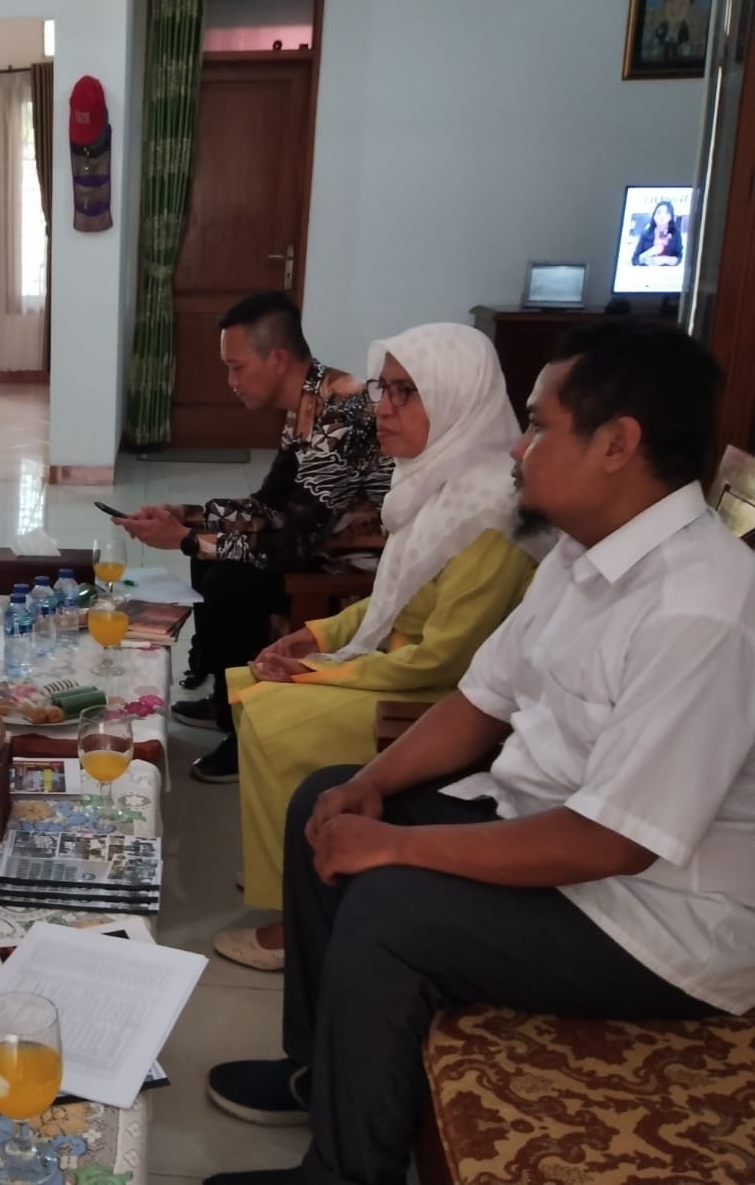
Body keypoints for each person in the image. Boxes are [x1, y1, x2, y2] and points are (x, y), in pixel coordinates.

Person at [203, 319, 755, 1185]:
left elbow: (612, 842)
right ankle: (320, 1072)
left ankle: (345, 1174)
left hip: (651, 921)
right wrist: (370, 789)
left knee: (389, 909)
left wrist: (397, 847)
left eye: (538, 426)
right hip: (539, 824)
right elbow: (479, 700)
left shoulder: (699, 609)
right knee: (328, 802)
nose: (516, 448)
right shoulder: (580, 554)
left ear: (616, 444)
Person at [213, 324, 546, 972]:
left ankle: (297, 915)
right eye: (381, 389)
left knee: (274, 713)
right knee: (254, 690)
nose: (382, 409)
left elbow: (444, 660)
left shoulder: (492, 512)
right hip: (405, 668)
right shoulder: (436, 481)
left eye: (406, 393)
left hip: (439, 696)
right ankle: (289, 866)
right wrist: (318, 636)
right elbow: (394, 597)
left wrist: (315, 674)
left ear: (455, 398)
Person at [116, 292, 392, 782]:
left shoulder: (343, 414)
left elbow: (294, 547)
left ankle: (246, 729)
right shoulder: (308, 402)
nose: (232, 382)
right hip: (318, 546)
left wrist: (186, 539)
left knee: (229, 580)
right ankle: (225, 697)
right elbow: (269, 505)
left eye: (237, 367)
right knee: (209, 550)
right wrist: (188, 517)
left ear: (279, 358)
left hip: (349, 571)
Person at [631, 199, 683, 267]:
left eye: (667, 213)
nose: (662, 216)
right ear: (654, 216)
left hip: (667, 272)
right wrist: (649, 253)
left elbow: (679, 258)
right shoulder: (645, 234)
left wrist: (664, 259)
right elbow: (634, 260)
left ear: (671, 217)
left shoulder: (676, 234)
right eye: (659, 212)